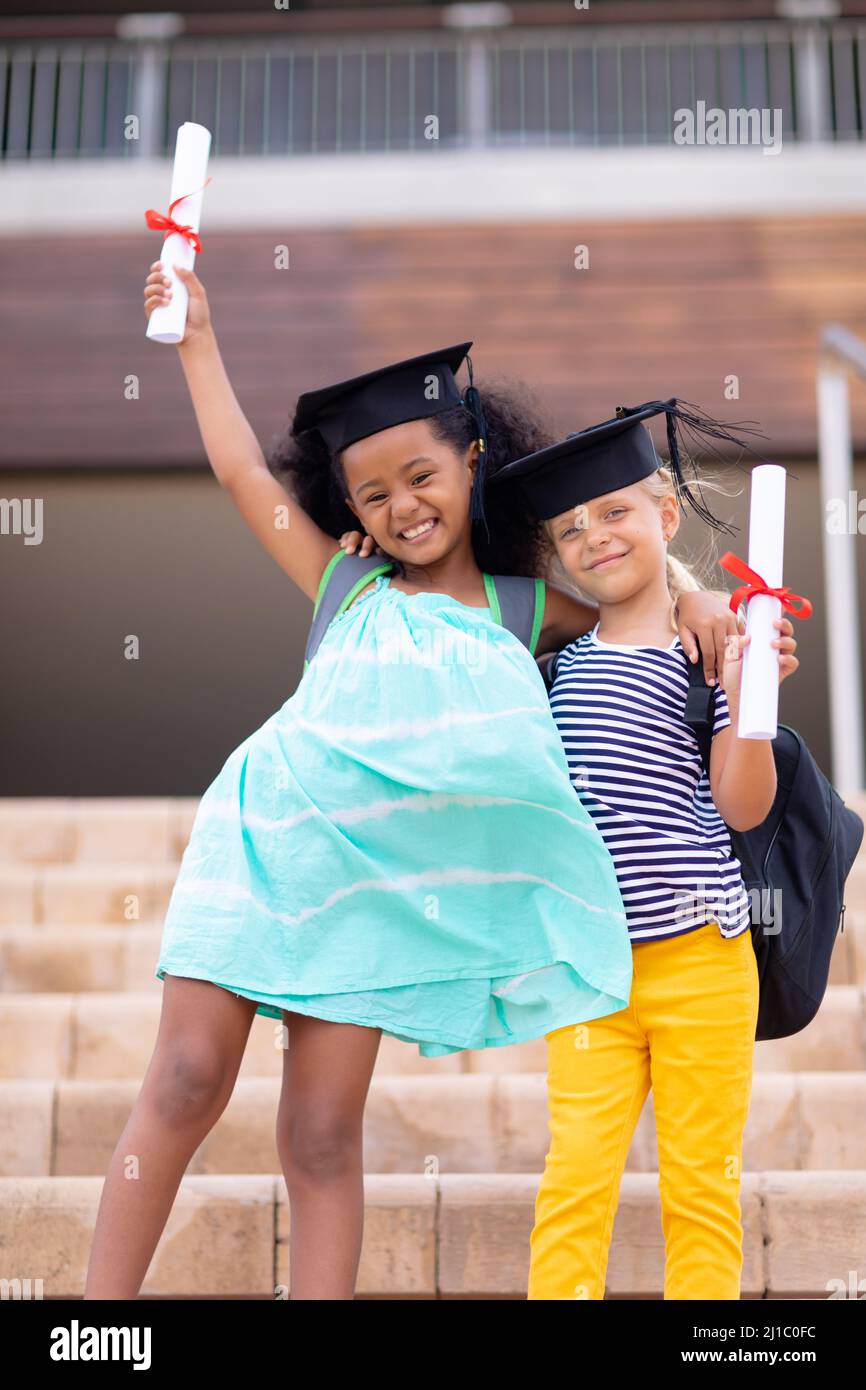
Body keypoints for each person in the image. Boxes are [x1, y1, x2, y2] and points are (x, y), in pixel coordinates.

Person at [84, 261, 736, 1301]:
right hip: (263, 848)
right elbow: (244, 476)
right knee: (184, 1078)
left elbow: (632, 611)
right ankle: (96, 1323)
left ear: (473, 461)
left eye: (422, 477)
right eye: (371, 493)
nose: (401, 506)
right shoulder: (344, 580)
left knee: (321, 1132)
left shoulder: (526, 610)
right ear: (346, 506)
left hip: (374, 898)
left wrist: (702, 605)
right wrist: (197, 337)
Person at [489, 399, 800, 1300]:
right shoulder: (554, 663)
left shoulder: (712, 652)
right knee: (575, 1181)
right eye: (571, 528)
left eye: (615, 511)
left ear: (666, 514)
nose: (595, 536)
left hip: (703, 960)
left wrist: (749, 700)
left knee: (703, 1190)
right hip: (591, 974)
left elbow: (743, 807)